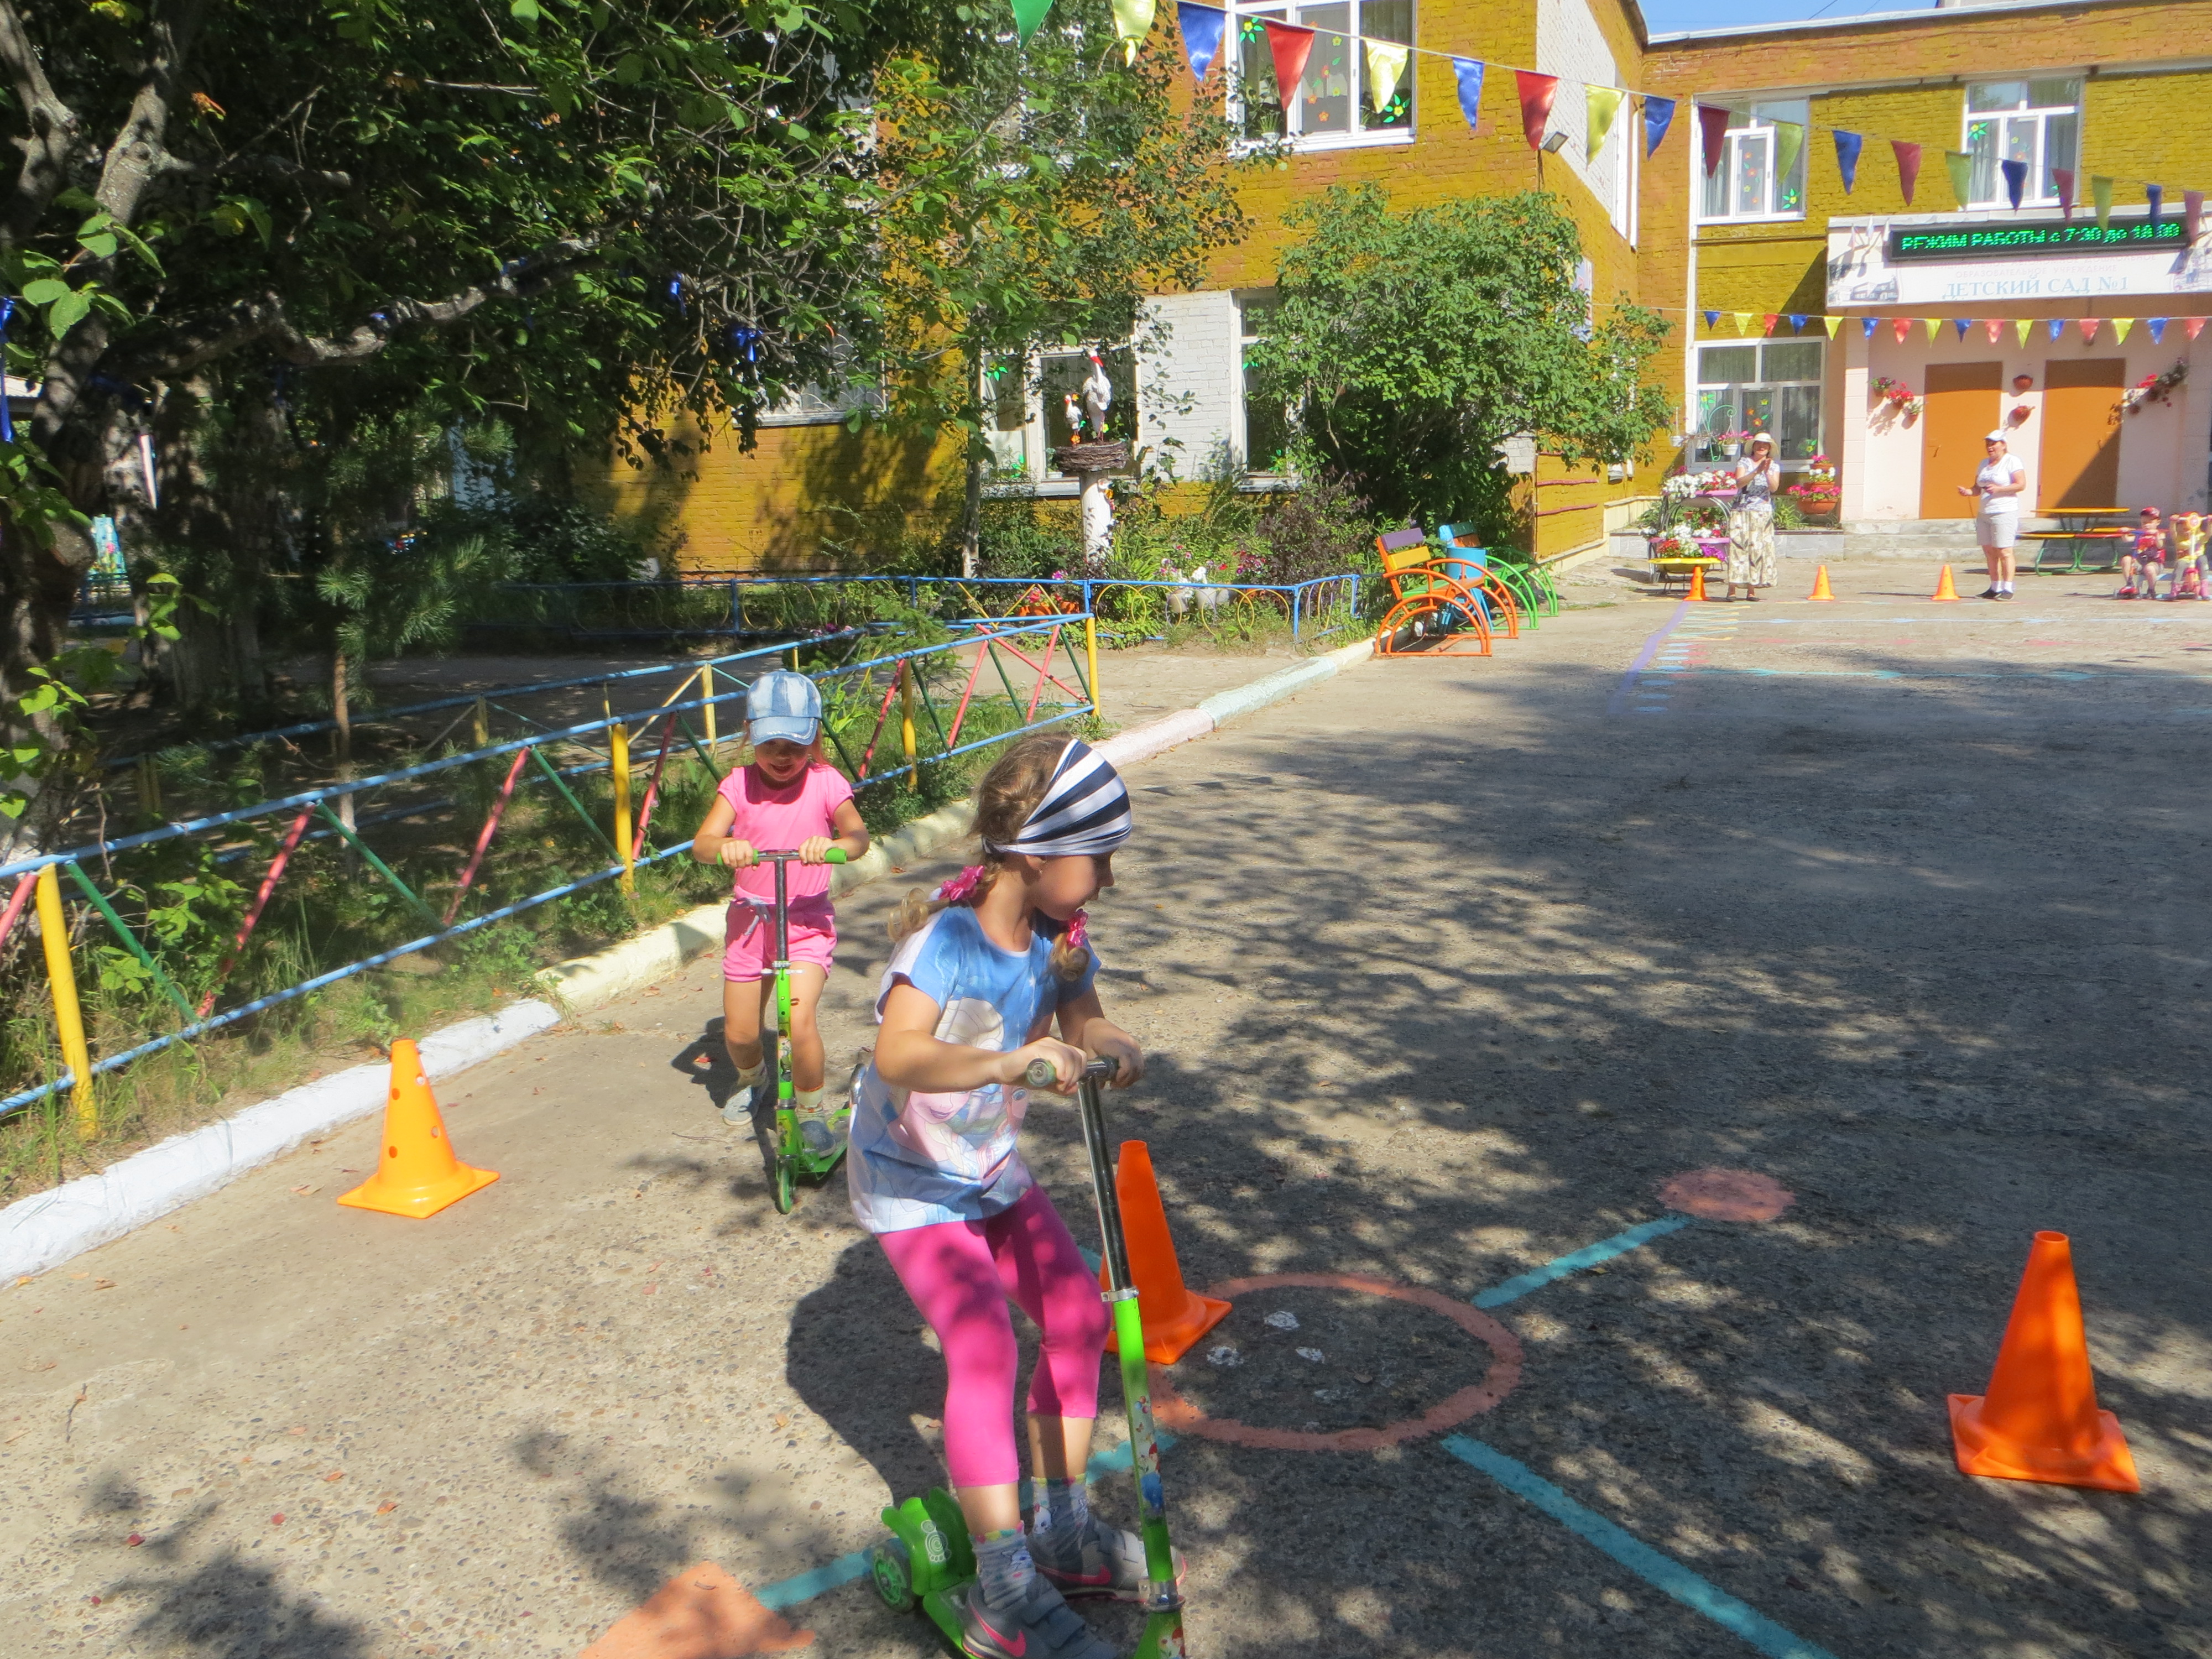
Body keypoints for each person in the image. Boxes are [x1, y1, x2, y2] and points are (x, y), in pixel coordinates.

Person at [850, 734, 1148, 1659]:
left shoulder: (1061, 938)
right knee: (982, 1343)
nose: (1107, 876)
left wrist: (1108, 1041)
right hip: (911, 1179)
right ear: (1035, 853)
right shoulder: (946, 940)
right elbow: (898, 1053)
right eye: (1097, 857)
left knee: (1077, 1315)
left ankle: (1060, 1529)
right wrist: (1009, 1062)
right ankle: (1003, 1586)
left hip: (985, 1163)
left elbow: (1082, 1015)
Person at [690, 670, 870, 1141]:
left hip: (805, 920)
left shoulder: (827, 783)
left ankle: (810, 1109)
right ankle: (753, 1079)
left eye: (795, 744)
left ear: (813, 739)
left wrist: (833, 846)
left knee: (798, 1021)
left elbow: (858, 837)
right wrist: (725, 846)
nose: (782, 755)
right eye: (771, 744)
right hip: (751, 922)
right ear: (750, 735)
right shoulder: (738, 784)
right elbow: (703, 844)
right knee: (741, 1032)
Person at [1957, 431, 2027, 599]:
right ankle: (1995, 587)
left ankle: (2008, 588)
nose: (1990, 447)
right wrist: (1968, 492)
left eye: (1994, 444)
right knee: (1989, 551)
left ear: (2003, 445)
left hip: (2004, 511)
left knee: (2004, 550)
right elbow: (1977, 488)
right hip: (1985, 512)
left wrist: (2000, 489)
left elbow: (2021, 485)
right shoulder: (1983, 464)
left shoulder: (2012, 461)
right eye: (1988, 444)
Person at [1724, 434, 1781, 601]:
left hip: (1762, 512)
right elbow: (1739, 483)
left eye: (1765, 445)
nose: (1762, 447)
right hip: (1742, 510)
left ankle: (1752, 589)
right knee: (1738, 547)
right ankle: (1732, 589)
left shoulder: (1774, 466)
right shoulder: (1744, 462)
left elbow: (1774, 488)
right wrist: (1757, 471)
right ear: (1753, 447)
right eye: (1758, 444)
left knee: (1757, 549)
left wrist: (1767, 472)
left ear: (1769, 449)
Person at [2119, 507, 2168, 601]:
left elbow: (2160, 546)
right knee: (2126, 559)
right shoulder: (2140, 534)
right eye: (2144, 523)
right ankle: (2130, 584)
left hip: (2155, 564)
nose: (2147, 525)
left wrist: (2156, 535)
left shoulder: (2160, 533)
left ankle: (2151, 590)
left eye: (2150, 522)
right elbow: (2127, 539)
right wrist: (2124, 533)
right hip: (2140, 563)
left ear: (2158, 522)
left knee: (2149, 568)